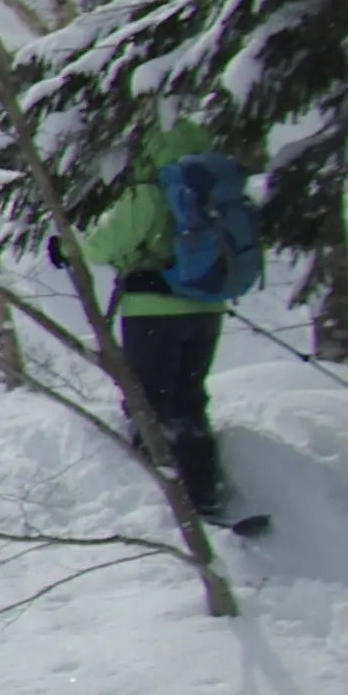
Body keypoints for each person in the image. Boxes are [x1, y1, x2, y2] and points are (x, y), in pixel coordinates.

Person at [72, 117, 269, 534]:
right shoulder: (212, 184)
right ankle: (205, 492)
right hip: (207, 308)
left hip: (153, 312)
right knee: (190, 399)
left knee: (152, 405)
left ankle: (169, 501)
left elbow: (101, 247)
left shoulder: (152, 189)